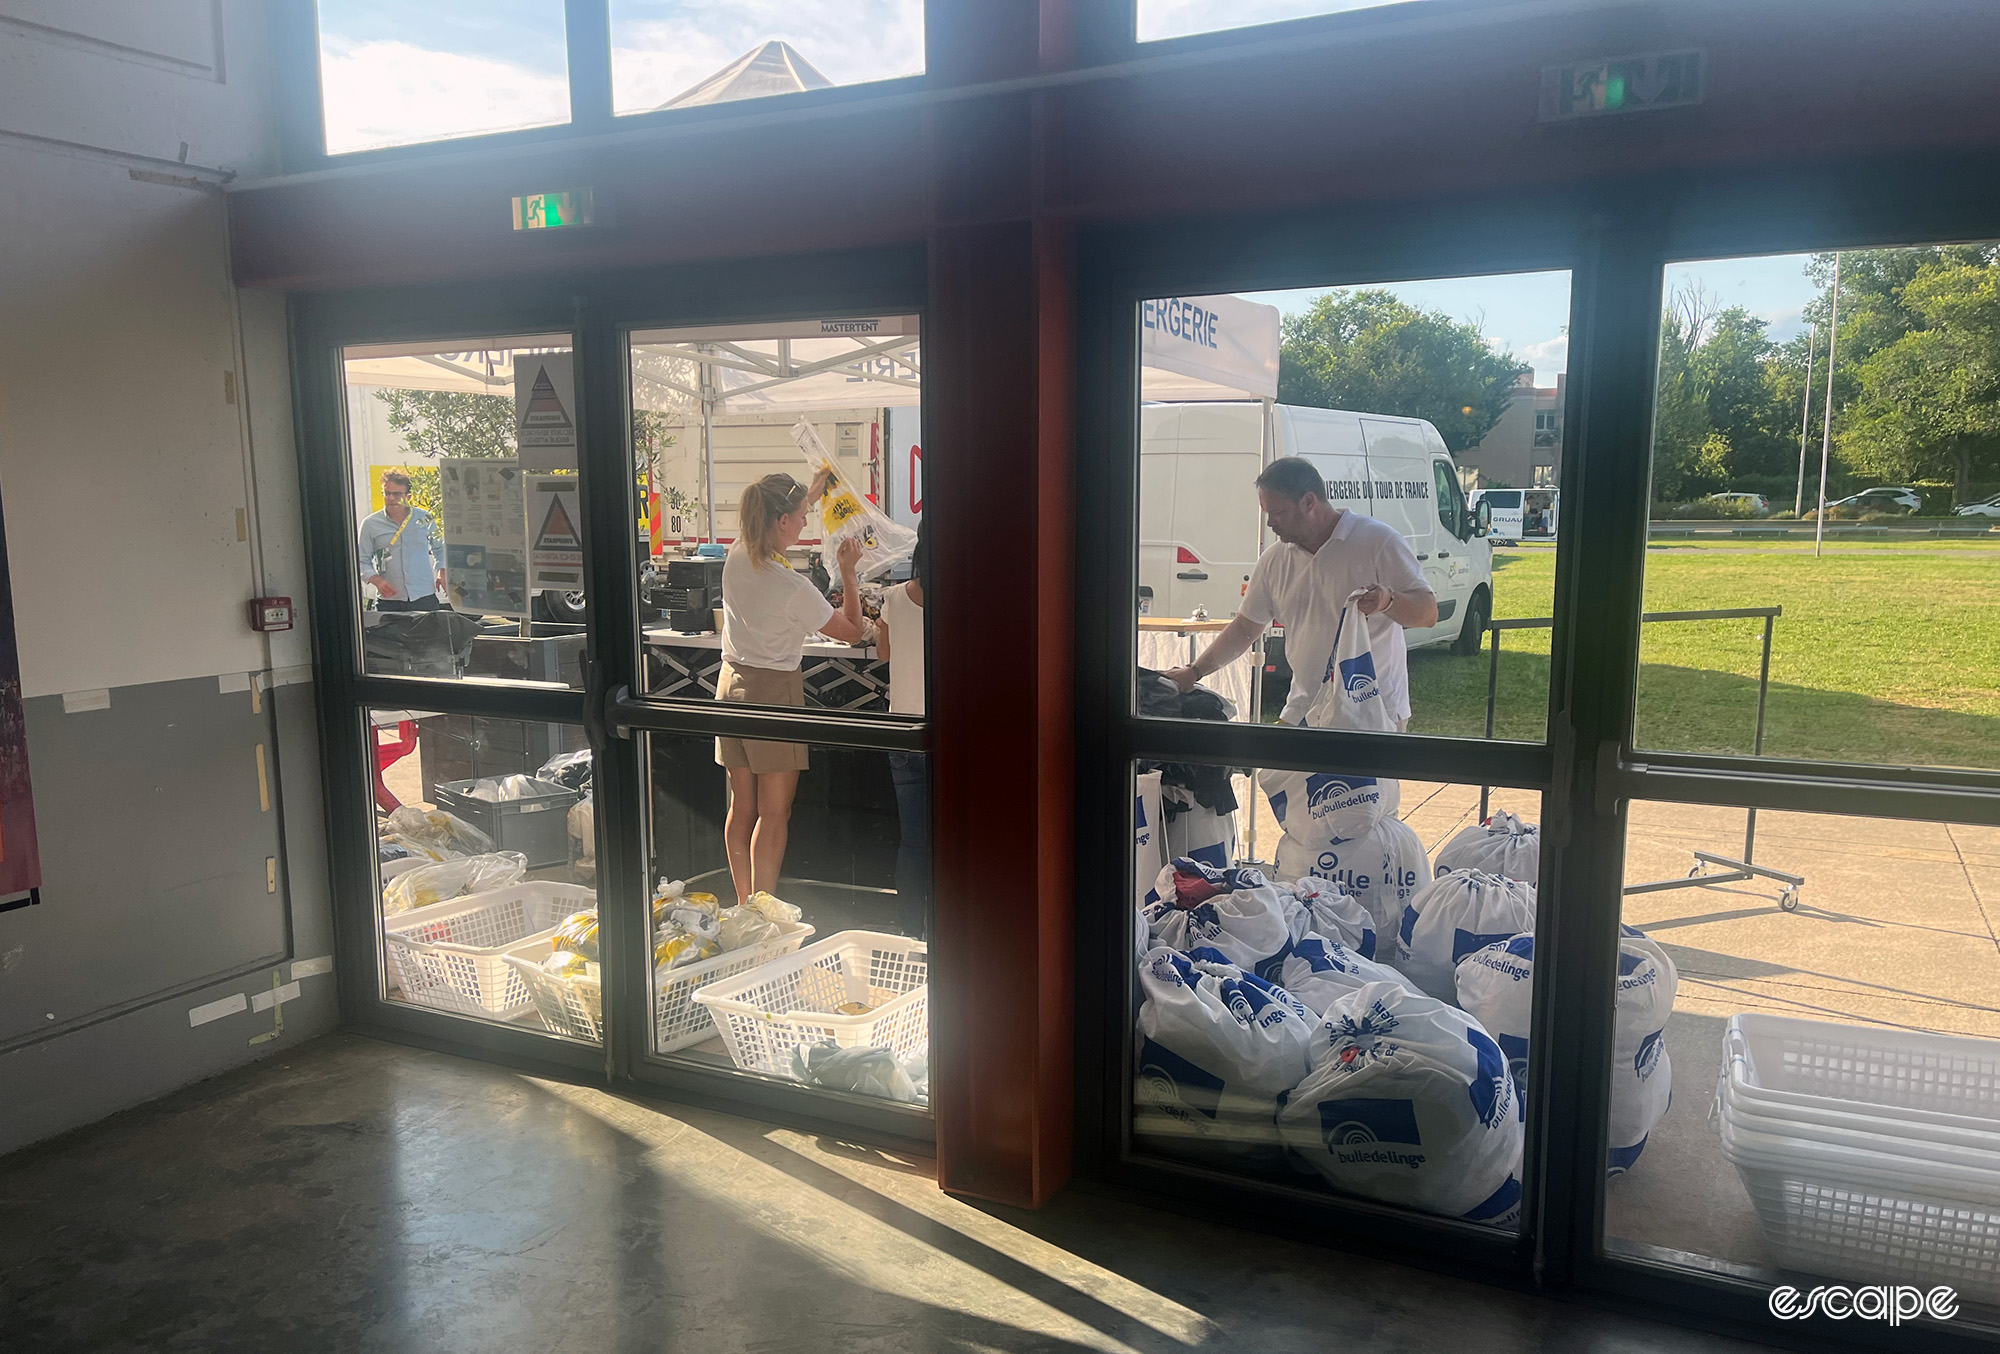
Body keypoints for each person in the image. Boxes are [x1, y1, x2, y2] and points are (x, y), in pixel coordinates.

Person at [1165, 456, 1438, 731]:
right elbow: (1246, 627)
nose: (1271, 522)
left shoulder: (1378, 541)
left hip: (1372, 711)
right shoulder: (1275, 560)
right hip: (1303, 711)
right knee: (1278, 774)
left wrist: (1388, 601)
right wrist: (1194, 671)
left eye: (1279, 512)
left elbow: (1428, 613)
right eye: (1267, 513)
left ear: (1309, 501)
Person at [716, 472, 868, 903]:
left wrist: (813, 491)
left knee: (741, 808)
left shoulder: (739, 553)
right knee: (774, 811)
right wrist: (848, 573)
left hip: (730, 687)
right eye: (802, 516)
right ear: (782, 520)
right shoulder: (792, 585)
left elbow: (779, 505)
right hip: (773, 692)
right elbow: (853, 632)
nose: (806, 523)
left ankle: (745, 903)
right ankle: (764, 914)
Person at [874, 518, 928, 938]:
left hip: (903, 733)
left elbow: (882, 652)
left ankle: (911, 930)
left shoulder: (893, 596)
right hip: (948, 734)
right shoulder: (968, 598)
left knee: (913, 841)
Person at [359, 470, 446, 611]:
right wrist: (377, 580)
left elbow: (440, 548)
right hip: (389, 601)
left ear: (408, 496)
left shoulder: (425, 518)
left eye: (397, 494)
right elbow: (361, 560)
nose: (391, 498)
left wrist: (442, 571)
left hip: (423, 598)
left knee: (428, 633)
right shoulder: (370, 524)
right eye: (387, 493)